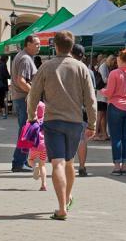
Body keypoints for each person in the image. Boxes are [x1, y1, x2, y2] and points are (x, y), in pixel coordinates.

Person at [27, 31, 97, 220]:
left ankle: (61, 208)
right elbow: (91, 99)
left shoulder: (46, 67)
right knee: (69, 163)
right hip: (75, 122)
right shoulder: (81, 67)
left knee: (57, 163)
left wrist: (31, 116)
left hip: (53, 121)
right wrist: (92, 123)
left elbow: (33, 94)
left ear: (55, 46)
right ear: (72, 46)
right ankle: (66, 200)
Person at [102, 48, 126, 175]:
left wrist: (101, 91)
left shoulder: (114, 73)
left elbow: (110, 92)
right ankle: (124, 166)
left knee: (116, 138)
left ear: (120, 59)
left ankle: (117, 166)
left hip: (116, 106)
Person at [10, 35, 40, 172]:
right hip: (24, 99)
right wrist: (33, 94)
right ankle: (19, 163)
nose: (39, 46)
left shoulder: (22, 56)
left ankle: (22, 161)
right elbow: (21, 81)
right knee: (26, 131)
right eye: (36, 44)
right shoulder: (25, 59)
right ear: (28, 44)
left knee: (26, 130)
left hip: (21, 98)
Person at [71, 44, 93, 177]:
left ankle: (67, 165)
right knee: (82, 139)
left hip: (68, 109)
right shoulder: (88, 71)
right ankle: (82, 166)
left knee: (68, 139)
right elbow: (92, 95)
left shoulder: (65, 68)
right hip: (83, 109)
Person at [18, 102, 48, 190]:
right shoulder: (46, 121)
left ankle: (35, 167)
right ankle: (44, 185)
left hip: (34, 146)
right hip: (44, 147)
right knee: (43, 165)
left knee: (30, 160)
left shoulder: (31, 121)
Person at [93, 52, 113, 141]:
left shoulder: (106, 67)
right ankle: (95, 133)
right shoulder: (104, 66)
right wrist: (113, 78)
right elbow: (105, 80)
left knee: (103, 115)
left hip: (104, 95)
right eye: (114, 62)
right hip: (101, 94)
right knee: (100, 114)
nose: (114, 64)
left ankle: (104, 134)